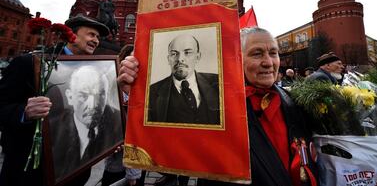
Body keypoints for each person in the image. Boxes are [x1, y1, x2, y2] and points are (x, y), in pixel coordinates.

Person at [121, 27, 318, 186]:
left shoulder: (295, 101)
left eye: (273, 53)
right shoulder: (214, 102)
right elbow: (166, 141)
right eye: (257, 54)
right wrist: (139, 92)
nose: (268, 62)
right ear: (236, 59)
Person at [0, 15, 135, 186]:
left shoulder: (99, 70)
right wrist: (24, 113)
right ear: (71, 35)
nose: (96, 41)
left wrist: (109, 141)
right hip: (30, 174)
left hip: (75, 174)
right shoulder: (30, 63)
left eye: (98, 38)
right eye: (91, 35)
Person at [48, 65, 122, 181]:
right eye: (83, 95)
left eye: (100, 95)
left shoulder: (118, 123)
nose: (92, 105)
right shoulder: (52, 129)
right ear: (70, 97)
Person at [148, 35, 220, 125]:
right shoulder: (151, 93)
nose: (180, 59)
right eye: (174, 54)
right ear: (168, 59)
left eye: (187, 52)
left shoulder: (219, 83)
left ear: (198, 57)